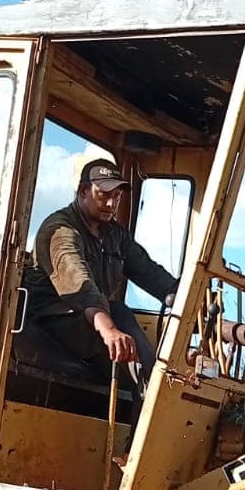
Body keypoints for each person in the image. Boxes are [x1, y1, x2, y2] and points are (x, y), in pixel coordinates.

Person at [30, 156, 177, 379]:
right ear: (82, 191)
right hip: (55, 318)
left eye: (116, 197)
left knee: (120, 315)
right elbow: (81, 287)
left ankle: (154, 388)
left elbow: (149, 272)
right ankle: (152, 392)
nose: (111, 204)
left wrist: (187, 298)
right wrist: (109, 330)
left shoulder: (114, 234)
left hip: (91, 318)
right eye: (104, 195)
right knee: (119, 317)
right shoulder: (59, 231)